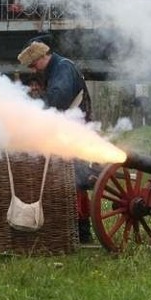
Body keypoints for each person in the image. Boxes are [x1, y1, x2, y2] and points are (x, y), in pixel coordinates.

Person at [17, 40, 94, 243]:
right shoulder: (56, 70)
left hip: (75, 133)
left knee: (76, 183)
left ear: (42, 57)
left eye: (34, 65)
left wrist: (33, 106)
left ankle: (83, 232)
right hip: (66, 132)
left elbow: (57, 100)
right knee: (70, 182)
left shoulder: (63, 69)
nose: (33, 70)